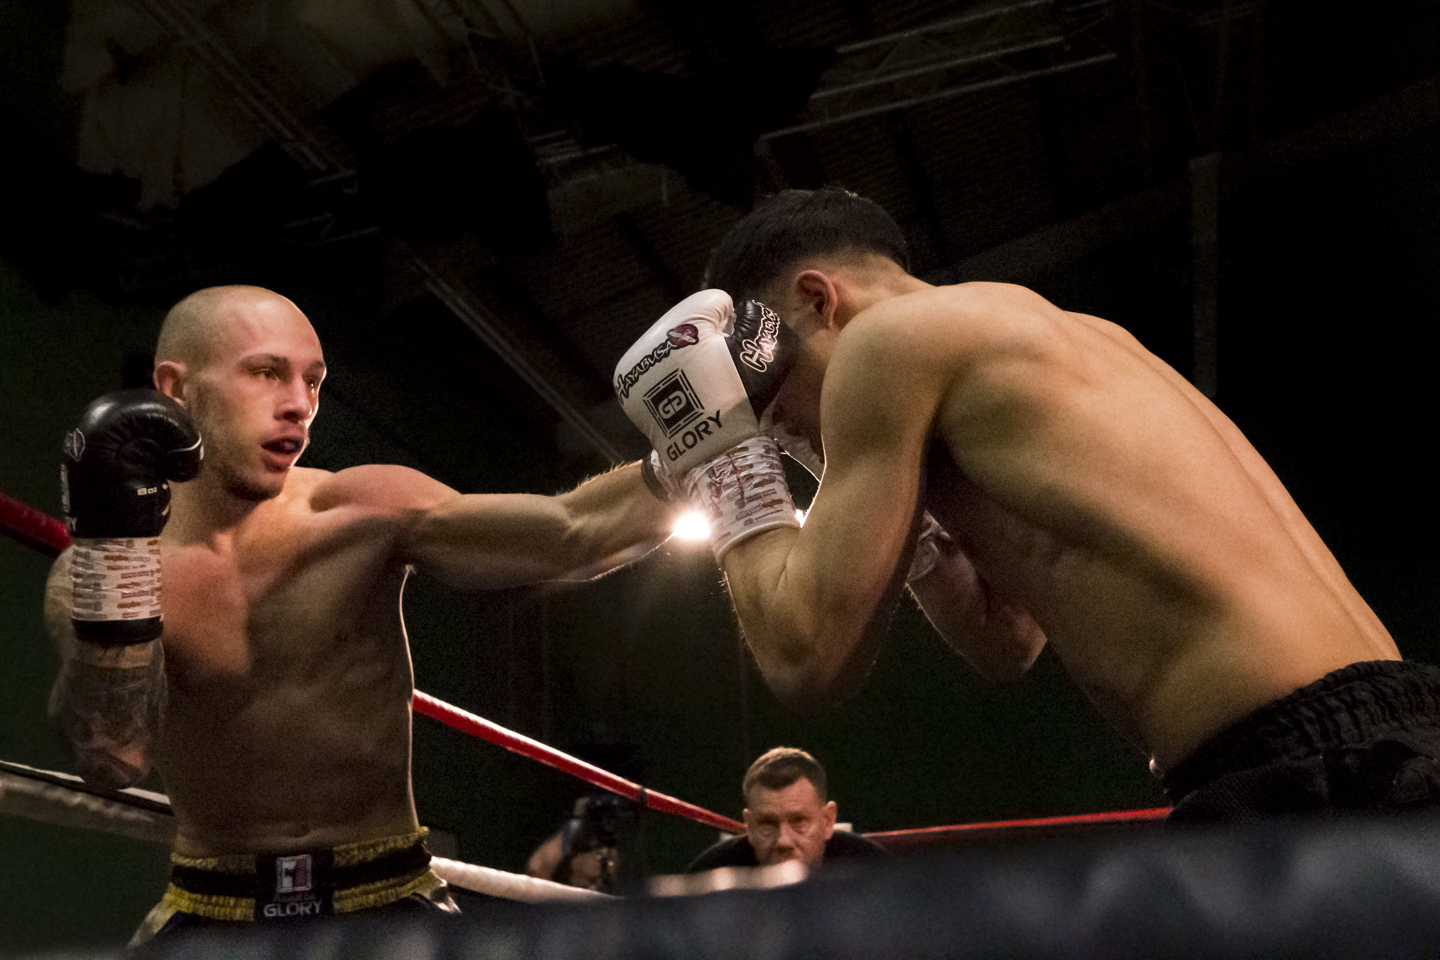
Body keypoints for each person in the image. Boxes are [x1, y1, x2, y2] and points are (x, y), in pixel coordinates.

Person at [613, 187, 1440, 825]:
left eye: (769, 385)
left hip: (1308, 772)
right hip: (1390, 728)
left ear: (817, 299)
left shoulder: (882, 344)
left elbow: (805, 657)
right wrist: (911, 528)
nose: (781, 422)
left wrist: (722, 451)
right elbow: (1007, 643)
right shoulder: (1061, 336)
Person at [45, 285, 684, 944]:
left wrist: (701, 444)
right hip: (213, 908)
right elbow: (111, 757)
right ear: (175, 389)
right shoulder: (96, 574)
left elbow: (573, 532)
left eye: (313, 381)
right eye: (266, 373)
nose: (299, 404)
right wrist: (115, 568)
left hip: (385, 894)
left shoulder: (358, 510)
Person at [686, 747, 887, 872]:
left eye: (798, 821)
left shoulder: (874, 871)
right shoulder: (707, 879)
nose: (783, 841)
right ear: (750, 827)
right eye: (767, 824)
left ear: (827, 821)